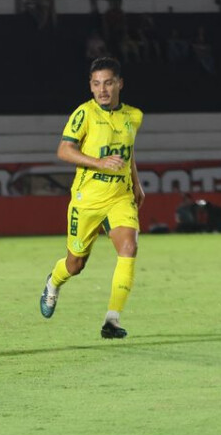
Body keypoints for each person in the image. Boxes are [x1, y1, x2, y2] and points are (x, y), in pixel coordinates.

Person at [39, 57, 144, 339]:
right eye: (96, 84)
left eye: (108, 82)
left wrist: (136, 182)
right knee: (76, 264)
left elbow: (127, 151)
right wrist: (98, 163)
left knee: (129, 248)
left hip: (119, 197)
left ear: (119, 83)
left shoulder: (134, 116)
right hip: (87, 200)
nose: (102, 89)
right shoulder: (83, 114)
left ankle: (112, 320)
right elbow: (63, 150)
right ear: (91, 86)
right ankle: (53, 282)